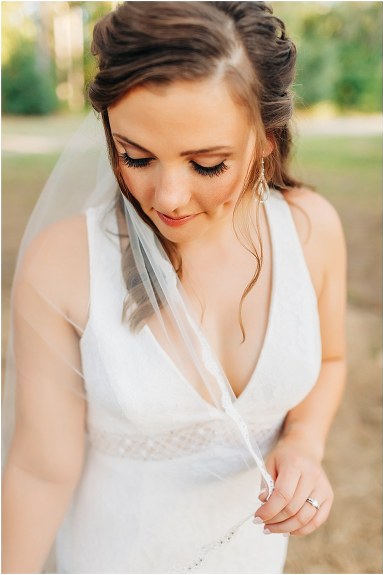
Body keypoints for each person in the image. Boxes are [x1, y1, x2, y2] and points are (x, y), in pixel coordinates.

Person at [1, 2, 346, 572]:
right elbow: (41, 468)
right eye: (134, 156)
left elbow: (330, 359)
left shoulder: (312, 229)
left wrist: (304, 442)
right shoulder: (62, 264)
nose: (166, 197)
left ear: (266, 137)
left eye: (206, 164)